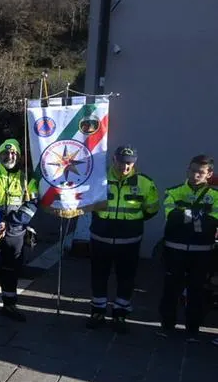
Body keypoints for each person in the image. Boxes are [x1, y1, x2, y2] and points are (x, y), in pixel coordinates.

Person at [88, 146, 159, 333]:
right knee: (99, 275)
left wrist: (130, 223)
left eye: (129, 163)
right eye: (121, 162)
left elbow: (151, 209)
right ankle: (98, 311)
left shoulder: (145, 183)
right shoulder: (99, 179)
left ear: (134, 162)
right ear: (114, 159)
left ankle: (120, 313)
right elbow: (87, 202)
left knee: (126, 278)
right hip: (101, 237)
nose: (124, 167)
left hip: (129, 240)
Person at [0, 139, 39, 322]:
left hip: (16, 231)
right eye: (6, 152)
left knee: (12, 269)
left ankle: (10, 304)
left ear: (18, 156)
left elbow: (32, 203)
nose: (9, 156)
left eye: (13, 153)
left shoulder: (27, 179)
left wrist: (12, 221)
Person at [159, 155, 217, 341]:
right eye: (192, 170)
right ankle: (167, 324)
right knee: (171, 288)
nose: (195, 175)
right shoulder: (173, 191)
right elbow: (172, 217)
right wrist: (199, 216)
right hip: (175, 250)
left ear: (209, 174)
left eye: (201, 172)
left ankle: (193, 327)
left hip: (202, 252)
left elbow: (213, 222)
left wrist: (186, 214)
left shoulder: (215, 196)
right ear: (187, 170)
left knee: (197, 290)